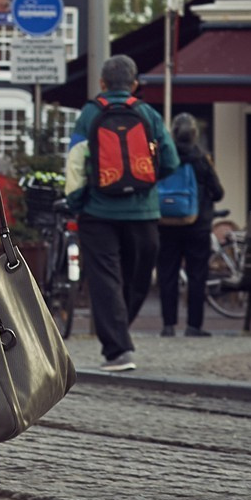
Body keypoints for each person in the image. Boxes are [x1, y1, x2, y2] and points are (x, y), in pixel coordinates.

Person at [64, 54, 178, 373]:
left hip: (97, 213)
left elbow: (74, 164)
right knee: (137, 278)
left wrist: (76, 202)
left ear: (102, 83)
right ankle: (119, 334)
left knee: (105, 279)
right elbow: (169, 160)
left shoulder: (89, 114)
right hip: (143, 213)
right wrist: (144, 185)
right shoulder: (148, 114)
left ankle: (117, 349)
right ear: (135, 84)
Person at [157, 113, 223, 339]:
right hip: (198, 226)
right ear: (195, 134)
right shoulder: (201, 159)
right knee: (197, 275)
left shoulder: (165, 158)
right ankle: (193, 326)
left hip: (166, 225)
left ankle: (168, 325)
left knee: (167, 274)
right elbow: (218, 193)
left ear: (173, 133)